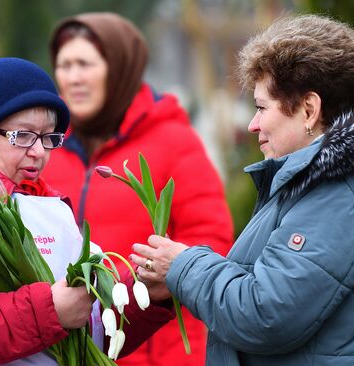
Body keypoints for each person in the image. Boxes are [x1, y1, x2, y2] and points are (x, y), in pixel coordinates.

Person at [132, 14, 354, 365]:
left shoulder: (337, 194)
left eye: (261, 108)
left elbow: (265, 314)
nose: (252, 124)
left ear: (308, 109)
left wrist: (183, 265)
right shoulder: (328, 183)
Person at [0, 57, 174, 365]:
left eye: (49, 137)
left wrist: (143, 295)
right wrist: (50, 311)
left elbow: (84, 333)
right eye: (22, 136)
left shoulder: (46, 206)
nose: (38, 151)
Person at [43, 11, 234, 366]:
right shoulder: (46, 150)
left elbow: (211, 242)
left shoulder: (174, 141)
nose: (73, 78)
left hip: (156, 350)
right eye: (64, 65)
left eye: (85, 64)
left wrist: (154, 279)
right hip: (66, 349)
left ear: (119, 67)